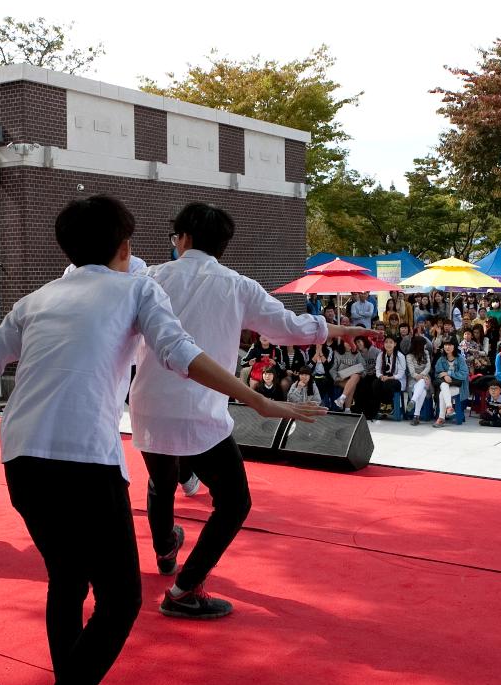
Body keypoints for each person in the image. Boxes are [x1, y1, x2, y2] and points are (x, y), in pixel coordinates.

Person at [0, 195, 325, 685]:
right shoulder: (136, 289)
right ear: (124, 248)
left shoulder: (39, 297)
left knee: (67, 582)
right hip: (83, 463)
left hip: (21, 456)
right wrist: (260, 400)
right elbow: (181, 354)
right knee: (119, 601)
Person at [128, 201, 365, 620]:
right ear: (223, 245)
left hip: (149, 403)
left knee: (160, 482)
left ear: (181, 238)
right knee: (234, 502)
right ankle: (184, 588)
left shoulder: (149, 279)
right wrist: (341, 329)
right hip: (202, 408)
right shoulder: (236, 285)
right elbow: (289, 329)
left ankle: (165, 551)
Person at [434, 339, 469, 427]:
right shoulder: (441, 359)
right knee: (443, 386)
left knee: (442, 393)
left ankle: (441, 418)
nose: (447, 347)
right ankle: (449, 408)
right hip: (445, 386)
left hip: (458, 387)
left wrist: (448, 373)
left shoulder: (460, 359)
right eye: (445, 345)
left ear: (455, 346)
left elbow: (464, 374)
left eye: (450, 345)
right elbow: (437, 373)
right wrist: (444, 376)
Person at [373, 334, 405, 418]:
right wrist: (381, 376)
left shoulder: (400, 356)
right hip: (384, 378)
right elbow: (377, 370)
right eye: (386, 342)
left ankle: (390, 405)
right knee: (375, 383)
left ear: (395, 344)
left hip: (397, 380)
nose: (388, 344)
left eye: (391, 342)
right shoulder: (381, 355)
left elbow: (401, 374)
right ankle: (380, 406)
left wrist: (389, 378)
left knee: (388, 384)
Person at [404, 335, 432, 426]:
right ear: (418, 345)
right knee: (423, 391)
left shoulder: (426, 352)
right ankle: (416, 415)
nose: (425, 346)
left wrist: (423, 375)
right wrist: (421, 377)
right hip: (413, 379)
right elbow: (412, 373)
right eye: (424, 344)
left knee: (422, 383)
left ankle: (413, 401)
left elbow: (428, 366)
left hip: (425, 377)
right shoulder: (409, 356)